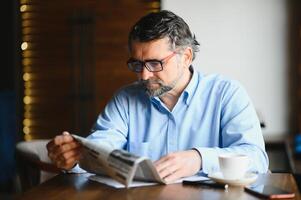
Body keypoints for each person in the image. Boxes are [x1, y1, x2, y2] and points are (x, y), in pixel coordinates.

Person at [47, 10, 269, 183]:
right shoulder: (125, 99)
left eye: (155, 63)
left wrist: (198, 159)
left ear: (186, 57)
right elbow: (100, 148)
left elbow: (256, 158)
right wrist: (73, 158)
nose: (144, 75)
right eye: (137, 64)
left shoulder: (226, 94)